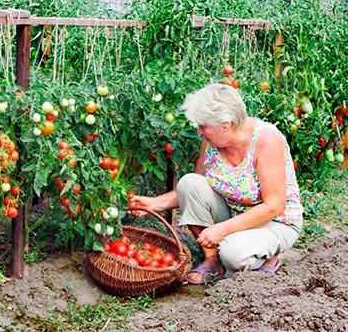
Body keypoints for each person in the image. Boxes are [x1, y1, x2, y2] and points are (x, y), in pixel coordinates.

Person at [130, 83, 303, 285]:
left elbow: (274, 206)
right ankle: (212, 261)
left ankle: (269, 256)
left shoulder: (267, 140)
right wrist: (154, 204)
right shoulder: (212, 141)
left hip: (274, 222)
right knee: (190, 182)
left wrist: (222, 230)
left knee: (232, 253)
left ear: (225, 125)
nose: (199, 131)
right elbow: (195, 190)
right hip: (233, 212)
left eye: (203, 126)